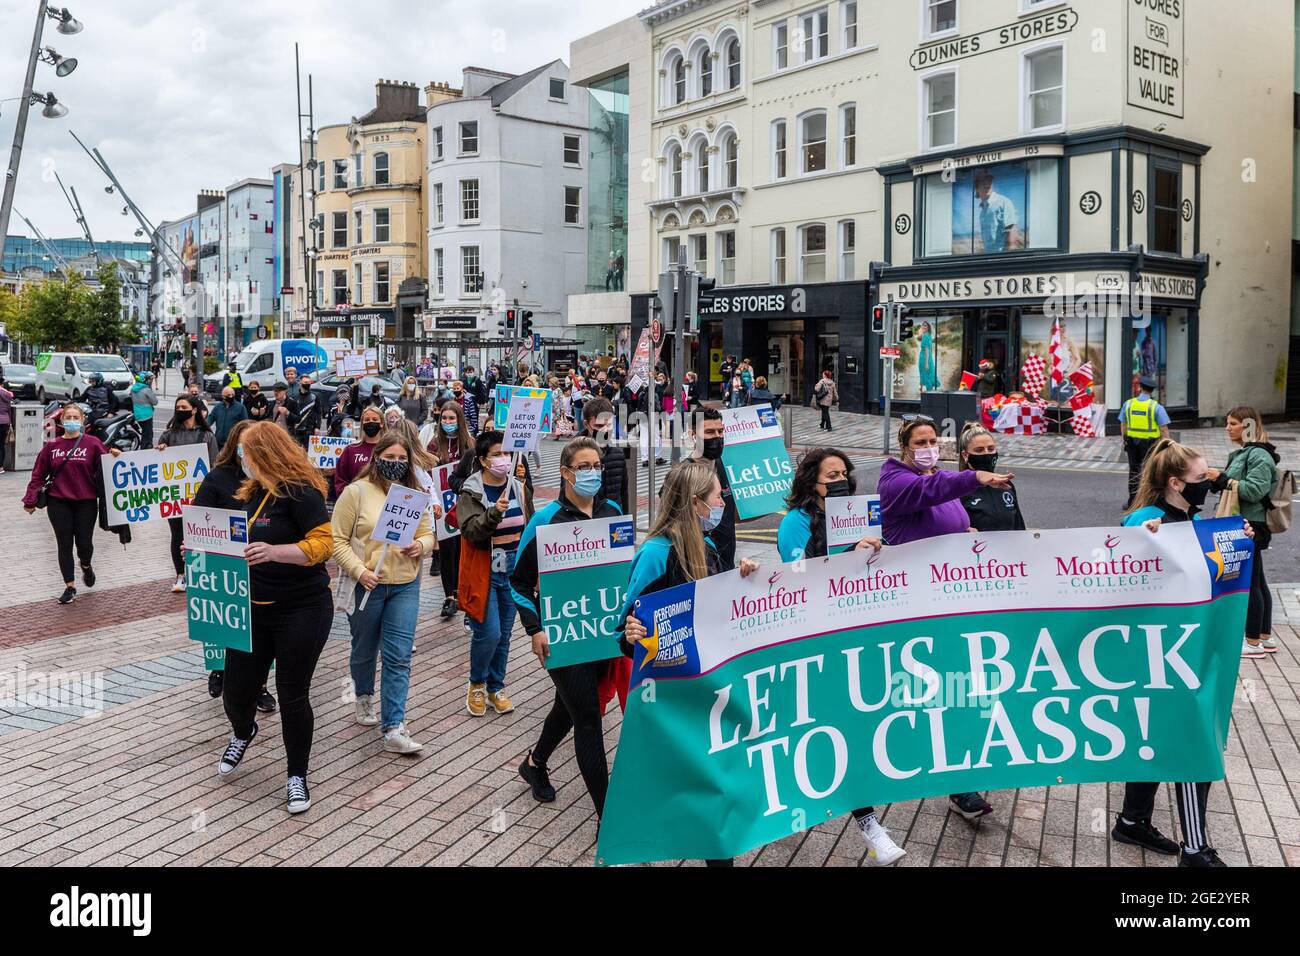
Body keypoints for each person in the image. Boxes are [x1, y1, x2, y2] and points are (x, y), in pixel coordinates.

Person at [1114, 438, 1254, 867]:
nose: (1209, 484)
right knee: (1192, 742)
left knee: (1157, 738)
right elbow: (1112, 570)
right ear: (1175, 483)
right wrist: (1140, 541)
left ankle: (1133, 821)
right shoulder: (1147, 520)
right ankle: (1195, 849)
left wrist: (1239, 543)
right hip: (1160, 655)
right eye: (1201, 478)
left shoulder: (1191, 519)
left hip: (1182, 651)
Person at [620, 459, 759, 867]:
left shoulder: (709, 545)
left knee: (714, 795)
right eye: (718, 495)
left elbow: (721, 609)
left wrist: (744, 579)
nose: (723, 501)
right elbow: (625, 630)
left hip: (711, 687)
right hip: (676, 695)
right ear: (698, 503)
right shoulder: (655, 554)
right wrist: (633, 634)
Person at [878, 414, 1015, 822]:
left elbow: (949, 516)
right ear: (905, 446)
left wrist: (967, 532)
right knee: (942, 692)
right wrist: (976, 479)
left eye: (933, 439)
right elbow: (930, 491)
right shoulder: (896, 481)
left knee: (957, 689)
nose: (929, 447)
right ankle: (951, 778)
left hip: (948, 599)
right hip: (917, 602)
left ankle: (957, 774)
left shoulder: (935, 473)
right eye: (921, 441)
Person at [775, 448, 904, 865]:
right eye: (832, 473)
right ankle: (871, 827)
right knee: (835, 730)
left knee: (846, 730)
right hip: (814, 639)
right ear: (812, 480)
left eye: (845, 472)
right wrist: (848, 559)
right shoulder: (795, 524)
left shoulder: (860, 514)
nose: (841, 479)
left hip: (856, 632)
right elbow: (797, 579)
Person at [215, 422, 334, 815]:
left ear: (265, 453)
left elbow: (322, 546)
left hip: (302, 608)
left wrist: (275, 552)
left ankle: (296, 776)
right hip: (252, 609)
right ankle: (243, 730)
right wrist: (199, 548)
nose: (242, 460)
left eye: (247, 453)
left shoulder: (302, 491)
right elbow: (232, 542)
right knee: (235, 691)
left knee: (292, 693)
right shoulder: (249, 492)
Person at [511, 436, 621, 814]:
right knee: (588, 719)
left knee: (570, 706)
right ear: (565, 472)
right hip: (564, 636)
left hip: (604, 633)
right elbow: (518, 581)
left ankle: (534, 763)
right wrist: (534, 629)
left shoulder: (612, 510)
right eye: (583, 467)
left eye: (596, 466)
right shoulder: (545, 520)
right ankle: (607, 817)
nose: (591, 473)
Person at [332, 432, 435, 754]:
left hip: (404, 584)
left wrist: (420, 545)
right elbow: (337, 540)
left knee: (398, 656)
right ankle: (363, 695)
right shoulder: (356, 493)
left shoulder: (413, 494)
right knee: (363, 650)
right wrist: (359, 570)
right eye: (389, 458)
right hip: (366, 585)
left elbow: (429, 534)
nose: (396, 464)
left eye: (402, 459)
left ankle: (394, 726)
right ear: (377, 458)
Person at [191, 420, 276, 713]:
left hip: (260, 562)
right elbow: (199, 514)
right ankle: (220, 668)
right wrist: (194, 546)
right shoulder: (218, 477)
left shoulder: (271, 478)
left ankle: (260, 686)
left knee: (260, 629)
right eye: (243, 445)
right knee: (224, 619)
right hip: (223, 559)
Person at [457, 430, 533, 718]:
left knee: (504, 636)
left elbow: (529, 530)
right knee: (488, 633)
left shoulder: (518, 486)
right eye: (497, 455)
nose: (504, 460)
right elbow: (471, 531)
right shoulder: (472, 491)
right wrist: (494, 513)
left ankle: (495, 686)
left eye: (507, 454)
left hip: (512, 569)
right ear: (483, 460)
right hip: (484, 569)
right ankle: (476, 683)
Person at [22, 403, 119, 604]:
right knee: (64, 544)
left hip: (86, 502)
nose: (72, 421)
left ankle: (86, 565)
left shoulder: (92, 444)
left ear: (82, 421)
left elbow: (108, 467)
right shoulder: (51, 447)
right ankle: (70, 586)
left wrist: (116, 455)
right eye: (69, 417)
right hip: (59, 503)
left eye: (76, 418)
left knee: (84, 543)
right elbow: (38, 475)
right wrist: (30, 499)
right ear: (61, 420)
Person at [1209, 406, 1279, 658]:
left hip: (1252, 523)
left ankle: (1252, 642)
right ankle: (1263, 637)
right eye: (1227, 423)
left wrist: (1223, 479)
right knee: (1258, 580)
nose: (1228, 428)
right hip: (1243, 520)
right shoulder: (1246, 452)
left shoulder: (1260, 455)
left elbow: (1254, 491)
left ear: (1248, 426)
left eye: (1233, 424)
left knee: (1250, 583)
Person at [427, 400, 473, 618]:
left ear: (459, 420)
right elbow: (427, 476)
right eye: (444, 418)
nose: (447, 422)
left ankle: (462, 592)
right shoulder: (434, 445)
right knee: (447, 550)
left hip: (466, 503)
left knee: (464, 549)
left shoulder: (470, 444)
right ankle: (449, 596)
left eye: (451, 418)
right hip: (443, 505)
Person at [689, 408, 736, 569]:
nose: (717, 436)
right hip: (697, 566)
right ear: (693, 435)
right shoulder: (682, 475)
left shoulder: (725, 466)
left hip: (727, 563)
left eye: (720, 431)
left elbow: (731, 514)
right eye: (709, 432)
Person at [959, 424, 1025, 532]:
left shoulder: (1005, 485)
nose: (986, 454)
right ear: (965, 455)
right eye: (979, 450)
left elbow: (1019, 527)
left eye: (991, 449)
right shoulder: (959, 489)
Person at [1120, 374, 1170, 508]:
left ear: (1140, 388)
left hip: (1131, 442)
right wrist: (1167, 445)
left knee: (1134, 471)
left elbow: (1123, 424)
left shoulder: (1128, 404)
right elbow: (1164, 429)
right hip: (1150, 443)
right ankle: (1148, 502)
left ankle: (1132, 501)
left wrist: (1124, 440)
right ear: (1152, 390)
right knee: (1150, 471)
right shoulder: (1156, 407)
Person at [582, 397, 628, 516]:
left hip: (613, 519)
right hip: (585, 522)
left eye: (609, 425)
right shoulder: (574, 453)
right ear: (587, 424)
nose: (605, 430)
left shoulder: (618, 454)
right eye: (599, 425)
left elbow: (624, 493)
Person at [333, 406, 385, 497]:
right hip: (355, 503)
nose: (371, 422)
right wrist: (346, 497)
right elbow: (341, 479)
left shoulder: (389, 448)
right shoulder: (351, 449)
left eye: (374, 419)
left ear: (381, 423)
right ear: (362, 424)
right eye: (367, 419)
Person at [210, 385, 249, 449]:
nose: (231, 396)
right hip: (219, 443)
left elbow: (245, 424)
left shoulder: (241, 407)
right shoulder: (217, 407)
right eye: (228, 395)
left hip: (234, 443)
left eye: (232, 395)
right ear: (223, 396)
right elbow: (209, 419)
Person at [130, 372, 159, 448]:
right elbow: (155, 402)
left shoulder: (133, 389)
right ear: (144, 380)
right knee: (148, 434)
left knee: (144, 432)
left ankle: (144, 446)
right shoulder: (147, 390)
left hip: (138, 415)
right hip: (147, 415)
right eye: (149, 380)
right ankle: (145, 448)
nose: (150, 381)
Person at [0, 374, 12, 475]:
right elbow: (9, 409)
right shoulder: (7, 394)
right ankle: (1, 467)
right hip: (4, 422)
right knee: (1, 445)